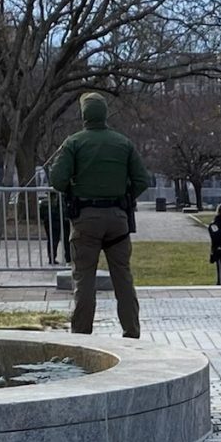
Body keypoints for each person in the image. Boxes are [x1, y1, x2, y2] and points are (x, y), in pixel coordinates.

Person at [46, 93, 150, 337]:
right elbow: (142, 180)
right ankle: (132, 331)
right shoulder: (123, 143)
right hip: (118, 219)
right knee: (123, 278)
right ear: (105, 113)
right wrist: (125, 196)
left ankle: (82, 334)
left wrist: (77, 188)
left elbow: (58, 180)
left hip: (85, 219)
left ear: (84, 115)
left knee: (84, 280)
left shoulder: (74, 143)